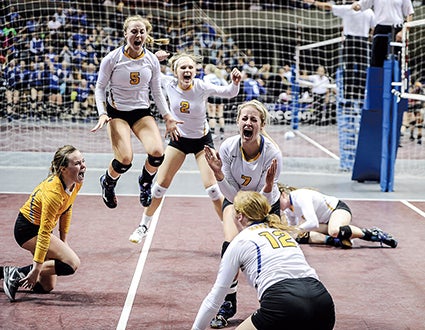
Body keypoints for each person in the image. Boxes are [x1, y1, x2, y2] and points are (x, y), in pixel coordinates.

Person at [129, 53, 242, 244]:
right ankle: (143, 226)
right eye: (183, 68)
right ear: (175, 72)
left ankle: (234, 233)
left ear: (195, 71)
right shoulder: (168, 83)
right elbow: (143, 72)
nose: (187, 70)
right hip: (179, 139)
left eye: (190, 67)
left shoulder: (201, 87)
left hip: (202, 141)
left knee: (214, 191)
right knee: (159, 188)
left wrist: (235, 82)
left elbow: (229, 92)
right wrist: (152, 59)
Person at [191, 190, 335, 330]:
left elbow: (214, 299)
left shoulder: (240, 241)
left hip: (285, 303)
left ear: (239, 216)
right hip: (323, 302)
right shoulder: (283, 233)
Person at [204, 99, 282, 328]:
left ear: (261, 124)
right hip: (237, 199)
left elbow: (261, 200)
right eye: (244, 118)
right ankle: (228, 302)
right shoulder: (228, 147)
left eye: (253, 119)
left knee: (272, 252)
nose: (248, 122)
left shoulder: (272, 153)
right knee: (230, 246)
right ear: (238, 122)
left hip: (266, 202)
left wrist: (268, 186)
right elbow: (230, 192)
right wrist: (218, 174)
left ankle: (273, 302)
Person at [91, 15, 182, 209]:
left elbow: (157, 91)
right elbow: (100, 87)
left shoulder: (151, 60)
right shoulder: (112, 59)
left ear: (146, 35)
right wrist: (102, 113)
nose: (138, 35)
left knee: (158, 154)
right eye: (134, 31)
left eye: (141, 31)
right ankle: (107, 182)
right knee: (124, 160)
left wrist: (167, 117)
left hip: (141, 112)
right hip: (117, 112)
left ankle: (145, 183)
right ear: (126, 34)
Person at [1, 145, 86, 302]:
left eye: (83, 161)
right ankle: (16, 273)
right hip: (27, 230)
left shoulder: (76, 182)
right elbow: (44, 232)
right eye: (77, 163)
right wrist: (36, 268)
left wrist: (64, 240)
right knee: (71, 263)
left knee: (46, 286)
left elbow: (67, 208)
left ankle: (4, 274)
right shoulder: (53, 192)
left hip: (40, 229)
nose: (83, 166)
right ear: (63, 169)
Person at [278, 183, 398, 248]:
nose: (276, 205)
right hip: (325, 222)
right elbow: (292, 228)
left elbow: (313, 223)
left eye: (276, 201)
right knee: (302, 234)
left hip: (338, 210)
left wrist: (295, 230)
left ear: (283, 195)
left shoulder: (300, 197)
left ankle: (372, 233)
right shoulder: (289, 209)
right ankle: (336, 240)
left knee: (334, 230)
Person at [306, 0, 375, 100]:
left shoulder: (348, 8)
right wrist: (370, 37)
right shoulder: (369, 11)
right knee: (362, 68)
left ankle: (348, 93)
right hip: (362, 41)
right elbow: (374, 27)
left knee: (349, 68)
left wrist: (314, 2)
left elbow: (328, 7)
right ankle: (359, 93)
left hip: (350, 41)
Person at [352, 0, 414, 68]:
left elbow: (409, 13)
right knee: (377, 60)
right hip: (380, 29)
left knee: (398, 60)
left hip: (397, 30)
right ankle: (377, 77)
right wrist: (356, 6)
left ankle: (399, 77)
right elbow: (360, 5)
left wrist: (403, 32)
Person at [203, 63, 229, 140]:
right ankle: (222, 133)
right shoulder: (219, 76)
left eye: (205, 69)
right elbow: (226, 85)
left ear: (208, 70)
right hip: (220, 97)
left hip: (212, 97)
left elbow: (206, 86)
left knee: (212, 115)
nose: (204, 70)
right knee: (220, 115)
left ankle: (213, 133)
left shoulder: (207, 77)